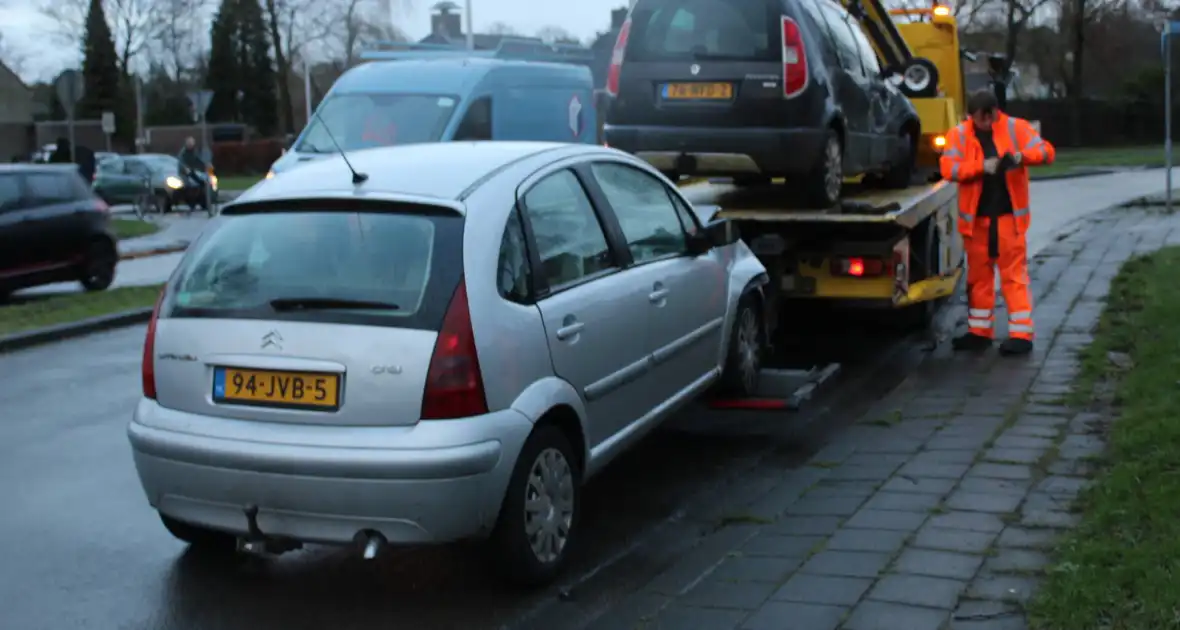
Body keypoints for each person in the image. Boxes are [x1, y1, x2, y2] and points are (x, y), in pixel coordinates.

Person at [940, 90, 1055, 357]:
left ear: (993, 113)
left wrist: (1019, 157)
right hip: (977, 221)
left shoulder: (1016, 128)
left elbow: (1046, 152)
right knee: (979, 278)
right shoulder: (959, 134)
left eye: (984, 119)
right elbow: (949, 168)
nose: (981, 124)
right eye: (976, 120)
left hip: (1007, 218)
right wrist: (982, 167)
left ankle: (1021, 334)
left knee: (1013, 277)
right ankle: (980, 332)